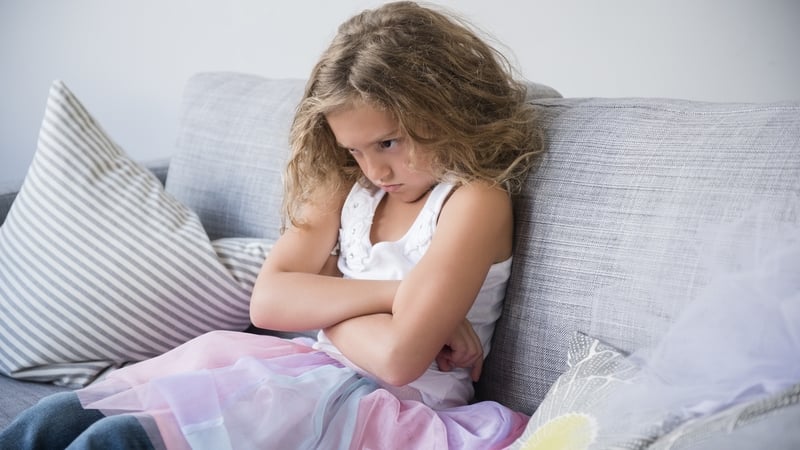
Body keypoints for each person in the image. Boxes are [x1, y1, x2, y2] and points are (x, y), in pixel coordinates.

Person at [0, 2, 541, 448]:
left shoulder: (473, 201)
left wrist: (326, 301)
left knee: (117, 440)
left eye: (389, 142)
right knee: (54, 421)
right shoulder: (348, 186)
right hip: (302, 372)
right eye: (355, 150)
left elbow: (399, 359)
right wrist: (400, 295)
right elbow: (268, 304)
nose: (374, 170)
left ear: (444, 107)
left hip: (390, 408)